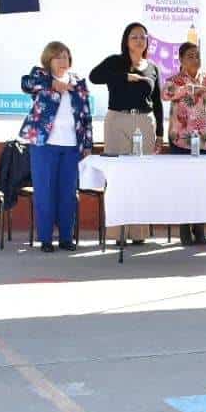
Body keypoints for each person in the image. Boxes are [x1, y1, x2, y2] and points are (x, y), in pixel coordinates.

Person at [89, 22, 163, 243]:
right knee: (119, 176)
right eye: (134, 37)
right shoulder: (115, 62)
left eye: (143, 37)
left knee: (141, 177)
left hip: (144, 121)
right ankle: (117, 232)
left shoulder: (153, 68)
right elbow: (94, 77)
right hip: (117, 120)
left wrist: (160, 131)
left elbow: (157, 101)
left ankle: (138, 233)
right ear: (126, 40)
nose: (139, 40)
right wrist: (123, 77)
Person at [20, 41, 93, 252]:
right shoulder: (41, 77)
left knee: (68, 193)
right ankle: (45, 239)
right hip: (44, 144)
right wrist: (53, 84)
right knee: (44, 192)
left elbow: (85, 115)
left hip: (71, 146)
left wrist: (87, 143)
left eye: (66, 56)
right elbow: (26, 84)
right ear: (48, 60)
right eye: (58, 57)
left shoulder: (78, 82)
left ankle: (66, 238)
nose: (63, 61)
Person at [162, 41, 206, 245]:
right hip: (180, 141)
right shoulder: (174, 80)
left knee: (202, 187)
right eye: (190, 56)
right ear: (180, 59)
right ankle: (184, 229)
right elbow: (166, 94)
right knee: (183, 186)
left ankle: (199, 229)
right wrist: (187, 89)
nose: (195, 59)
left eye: (197, 55)